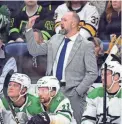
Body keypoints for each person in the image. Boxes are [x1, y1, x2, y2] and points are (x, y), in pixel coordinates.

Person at [25, 11, 98, 124]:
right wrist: (29, 29)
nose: (60, 23)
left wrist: (78, 91)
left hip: (73, 93)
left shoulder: (86, 45)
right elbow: (34, 50)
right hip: (52, 92)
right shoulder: (55, 39)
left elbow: (92, 72)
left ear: (73, 24)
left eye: (64, 20)